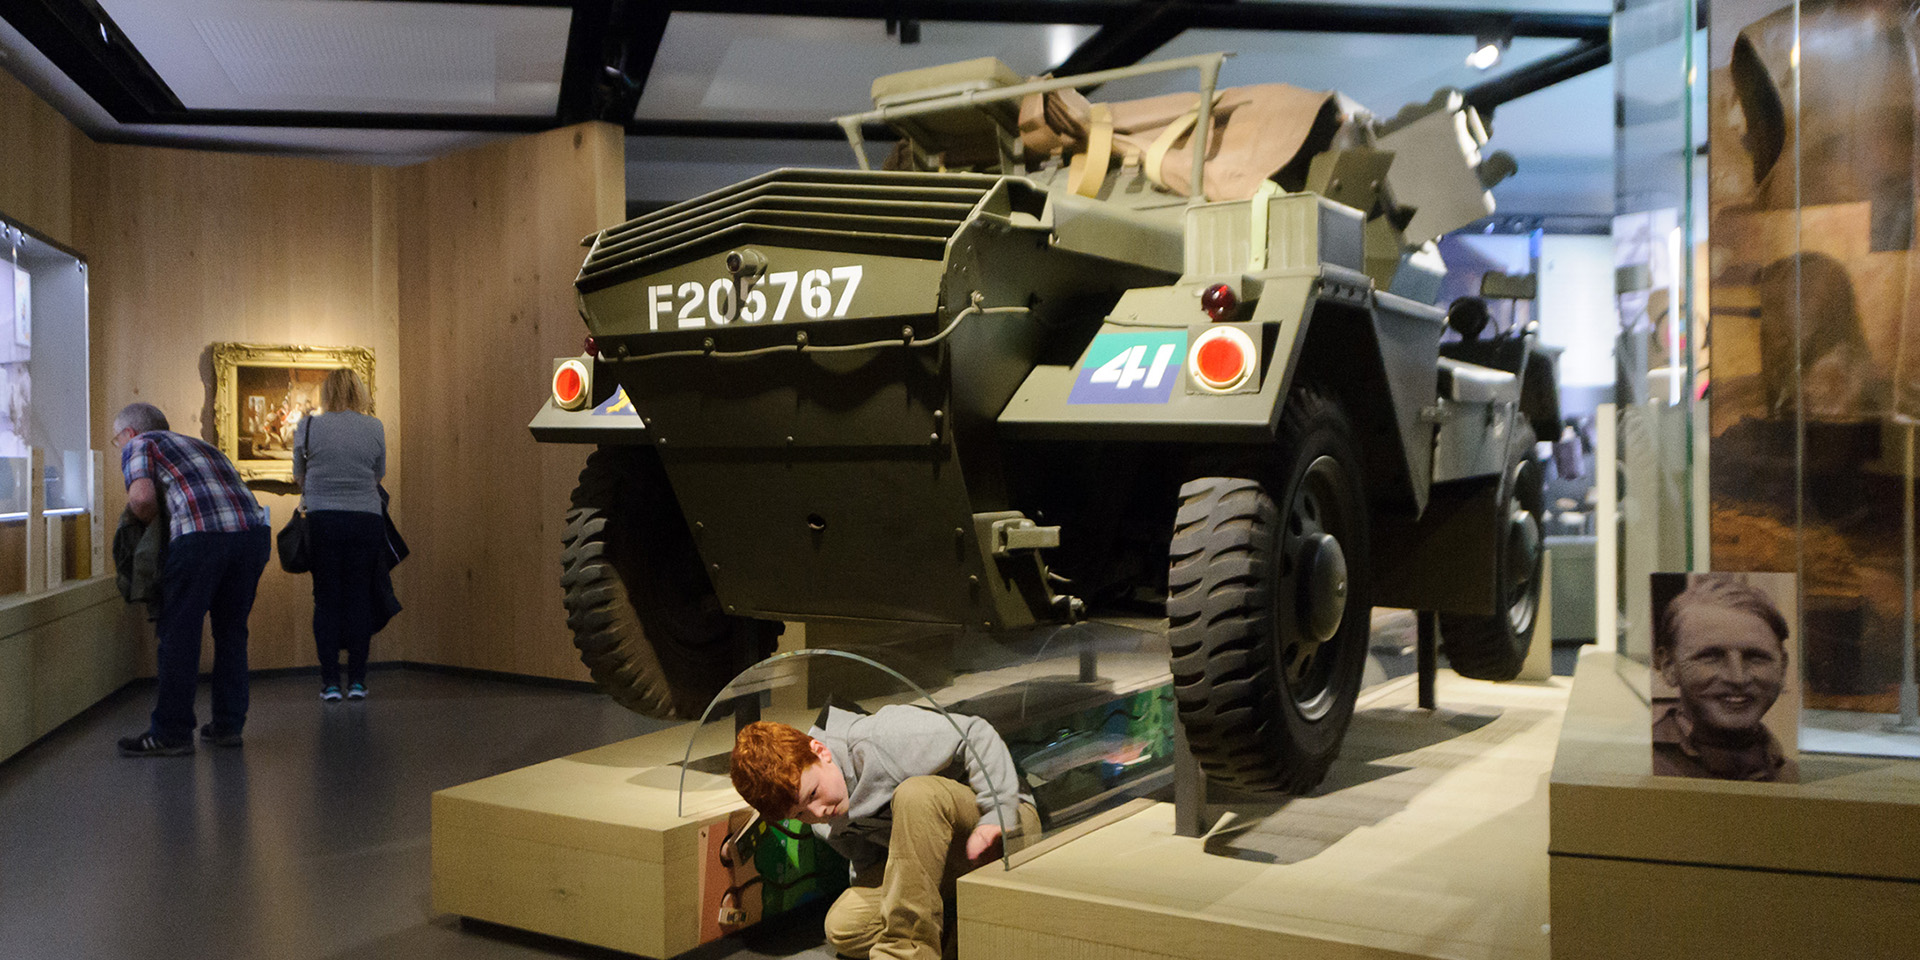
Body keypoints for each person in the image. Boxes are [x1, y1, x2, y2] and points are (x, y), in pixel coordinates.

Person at [731, 704, 1039, 960]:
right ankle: (958, 936)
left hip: (1000, 830)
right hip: (934, 864)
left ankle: (904, 952)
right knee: (843, 926)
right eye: (799, 814)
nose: (817, 813)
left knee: (916, 794)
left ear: (820, 750)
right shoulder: (825, 820)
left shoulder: (882, 736)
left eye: (812, 794)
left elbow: (976, 732)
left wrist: (995, 812)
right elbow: (871, 863)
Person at [111, 401, 271, 756]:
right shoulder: (203, 446)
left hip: (202, 539)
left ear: (130, 433)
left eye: (116, 440)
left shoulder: (142, 444)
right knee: (231, 632)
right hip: (252, 536)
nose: (118, 447)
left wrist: (148, 533)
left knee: (179, 633)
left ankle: (171, 733)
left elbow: (141, 500)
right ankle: (228, 726)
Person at [292, 368, 386, 702]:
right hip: (365, 518)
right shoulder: (374, 426)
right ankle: (358, 681)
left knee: (327, 598)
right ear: (359, 392)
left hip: (323, 519)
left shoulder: (309, 426)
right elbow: (378, 475)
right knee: (360, 597)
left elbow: (298, 477)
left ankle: (331, 682)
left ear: (326, 393)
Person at [1652, 575, 1798, 782]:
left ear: (1783, 667)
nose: (1737, 678)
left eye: (1756, 657)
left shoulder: (1789, 775)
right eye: (1711, 657)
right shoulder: (1647, 763)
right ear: (1669, 666)